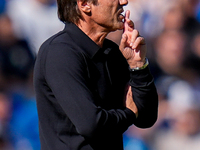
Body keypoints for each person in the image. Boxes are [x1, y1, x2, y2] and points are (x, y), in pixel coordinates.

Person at [34, 0, 158, 150]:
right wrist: (130, 114)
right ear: (85, 4)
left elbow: (146, 118)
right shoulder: (60, 52)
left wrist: (138, 66)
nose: (124, 2)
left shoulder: (112, 53)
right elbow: (91, 124)